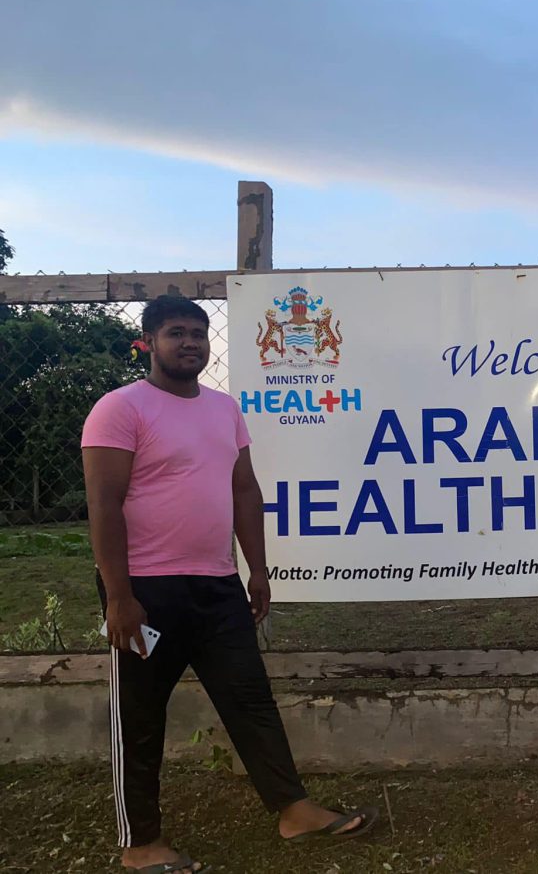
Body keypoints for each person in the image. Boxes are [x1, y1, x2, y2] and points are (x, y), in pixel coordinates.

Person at [83, 295, 377, 873]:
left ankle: (294, 811)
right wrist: (119, 596)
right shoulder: (119, 409)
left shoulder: (224, 410)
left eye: (198, 333)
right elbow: (104, 504)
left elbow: (244, 490)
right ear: (147, 341)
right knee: (139, 717)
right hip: (146, 590)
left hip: (217, 585)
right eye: (175, 333)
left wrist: (257, 568)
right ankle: (140, 843)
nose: (190, 342)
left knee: (251, 701)